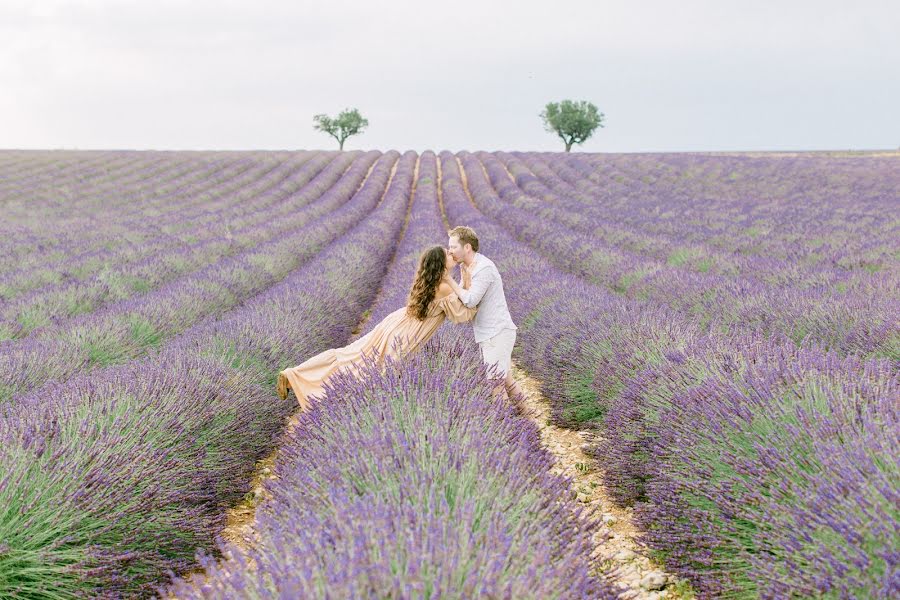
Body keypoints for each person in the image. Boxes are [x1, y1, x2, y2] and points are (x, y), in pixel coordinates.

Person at [276, 245, 477, 409]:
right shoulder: (444, 287)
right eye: (448, 255)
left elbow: (459, 296)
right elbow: (465, 311)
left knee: (348, 356)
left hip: (394, 324)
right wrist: (471, 281)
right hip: (405, 335)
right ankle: (352, 411)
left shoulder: (430, 281)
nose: (452, 255)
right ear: (441, 265)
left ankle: (294, 373)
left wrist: (463, 276)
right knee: (373, 376)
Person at [442, 225, 523, 403]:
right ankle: (530, 424)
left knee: (496, 385)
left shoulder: (483, 268)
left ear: (467, 247)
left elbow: (470, 300)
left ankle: (503, 426)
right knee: (507, 381)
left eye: (454, 246)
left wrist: (448, 279)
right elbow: (459, 296)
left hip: (497, 333)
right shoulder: (467, 267)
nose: (450, 250)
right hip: (489, 333)